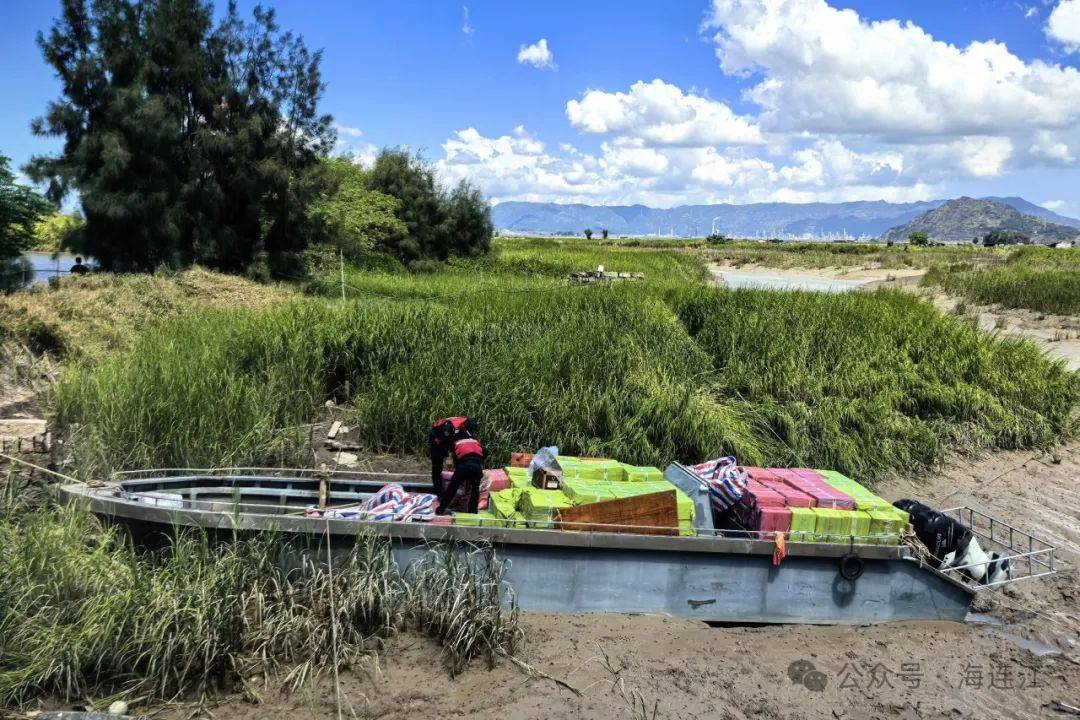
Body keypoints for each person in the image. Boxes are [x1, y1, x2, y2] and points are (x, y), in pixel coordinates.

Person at [435, 422, 485, 515]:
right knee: (475, 490)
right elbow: (482, 455)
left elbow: (456, 461)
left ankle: (441, 509)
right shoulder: (475, 441)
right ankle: (473, 512)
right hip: (477, 466)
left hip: (464, 465)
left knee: (452, 488)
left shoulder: (457, 442)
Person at [428, 416, 474, 495]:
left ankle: (460, 485)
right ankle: (438, 490)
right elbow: (441, 441)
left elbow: (467, 437)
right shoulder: (449, 427)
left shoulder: (462, 423)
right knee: (437, 466)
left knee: (456, 462)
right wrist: (447, 454)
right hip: (436, 440)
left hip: (445, 438)